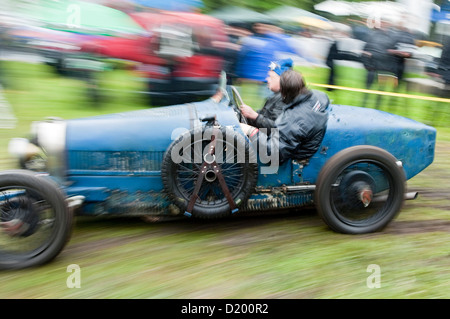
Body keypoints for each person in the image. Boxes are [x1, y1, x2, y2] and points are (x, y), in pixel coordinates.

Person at [241, 69, 330, 164]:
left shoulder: (293, 120)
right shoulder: (317, 96)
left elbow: (273, 156)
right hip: (303, 141)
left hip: (293, 156)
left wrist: (251, 132)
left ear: (283, 92)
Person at [240, 58, 293, 132]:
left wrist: (255, 116)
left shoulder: (284, 99)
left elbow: (276, 128)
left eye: (271, 77)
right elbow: (263, 115)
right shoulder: (276, 96)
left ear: (282, 80)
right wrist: (246, 114)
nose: (267, 79)